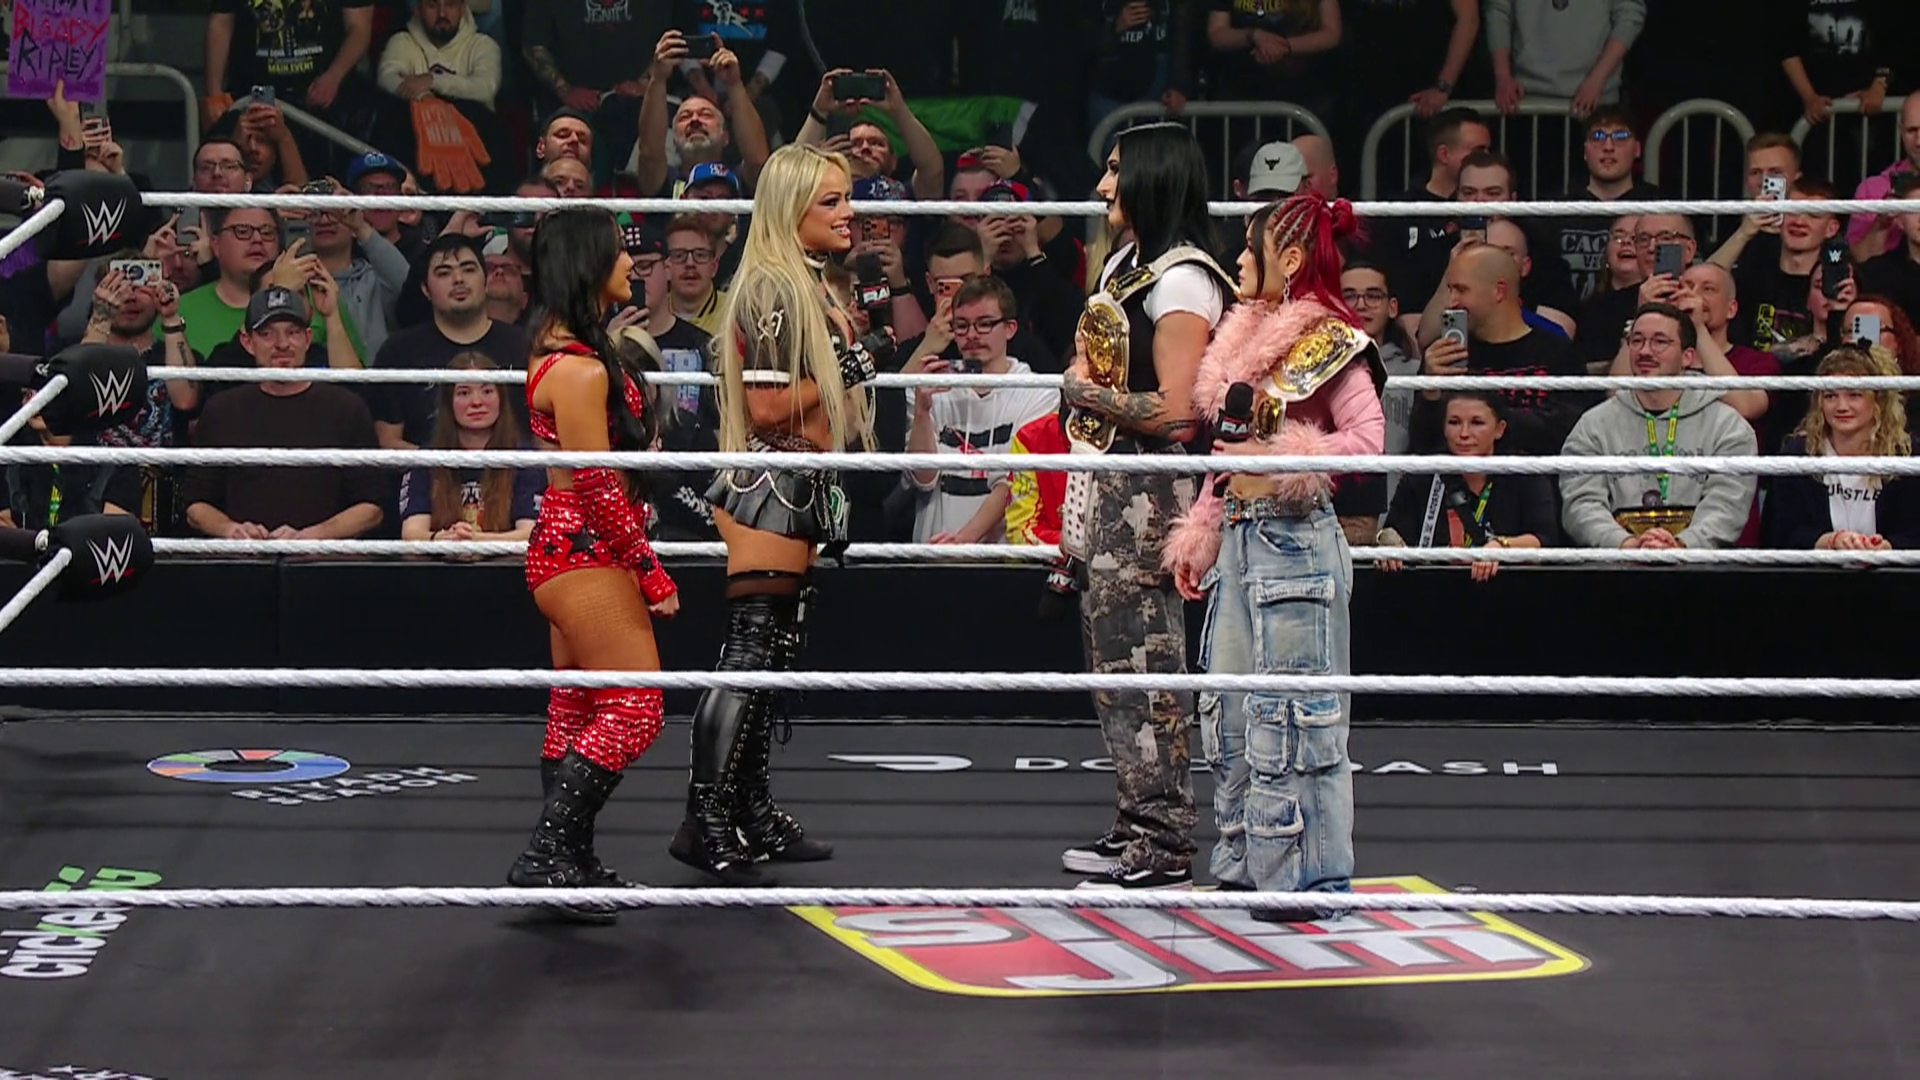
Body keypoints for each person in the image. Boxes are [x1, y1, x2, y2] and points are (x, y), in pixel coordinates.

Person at [1160, 193, 1385, 918]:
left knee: (1296, 715)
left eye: (1248, 247)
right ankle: (1246, 865)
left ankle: (1310, 879)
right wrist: (1203, 529)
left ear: (1288, 260)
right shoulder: (1244, 344)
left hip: (1297, 544)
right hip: (1240, 539)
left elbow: (1367, 441)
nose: (1235, 260)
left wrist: (1282, 457)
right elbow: (1228, 455)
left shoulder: (1330, 341)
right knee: (1228, 711)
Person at [670, 143, 877, 886]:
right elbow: (765, 407)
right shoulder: (772, 287)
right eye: (831, 201)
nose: (848, 213)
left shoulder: (803, 281)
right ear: (791, 209)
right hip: (773, 476)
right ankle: (705, 819)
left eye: (847, 197)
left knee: (773, 655)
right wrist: (847, 369)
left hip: (800, 477)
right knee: (750, 653)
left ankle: (749, 808)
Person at [1058, 122, 1235, 892]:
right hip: (1108, 482)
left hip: (1155, 493)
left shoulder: (1184, 279)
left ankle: (1164, 842)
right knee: (1113, 668)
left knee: (1147, 665)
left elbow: (1178, 414)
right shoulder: (1127, 264)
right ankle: (1137, 822)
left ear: (1154, 179)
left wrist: (1082, 392)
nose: (1103, 185)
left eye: (1116, 170)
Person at [506, 206, 680, 914]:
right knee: (637, 707)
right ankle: (547, 852)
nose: (632, 263)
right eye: (618, 252)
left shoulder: (568, 349)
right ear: (588, 263)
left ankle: (569, 863)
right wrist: (649, 570)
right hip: (586, 550)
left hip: (572, 549)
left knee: (578, 706)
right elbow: (597, 483)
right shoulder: (576, 370)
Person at [1376, 391, 1559, 582]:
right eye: (1454, 422)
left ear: (1499, 429)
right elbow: (1391, 532)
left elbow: (1544, 539)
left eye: (1477, 423)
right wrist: (1388, 543)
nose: (1464, 434)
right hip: (1432, 591)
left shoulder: (1525, 472)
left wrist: (1500, 547)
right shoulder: (1422, 474)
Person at [1764, 347, 1920, 551]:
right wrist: (1827, 541)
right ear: (1819, 402)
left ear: (1877, 400)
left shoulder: (1907, 455)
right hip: (1817, 570)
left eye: (1854, 395)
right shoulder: (1797, 455)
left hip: (1892, 570)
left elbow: (1914, 531)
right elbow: (1778, 533)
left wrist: (1888, 547)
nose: (1842, 407)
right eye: (1831, 396)